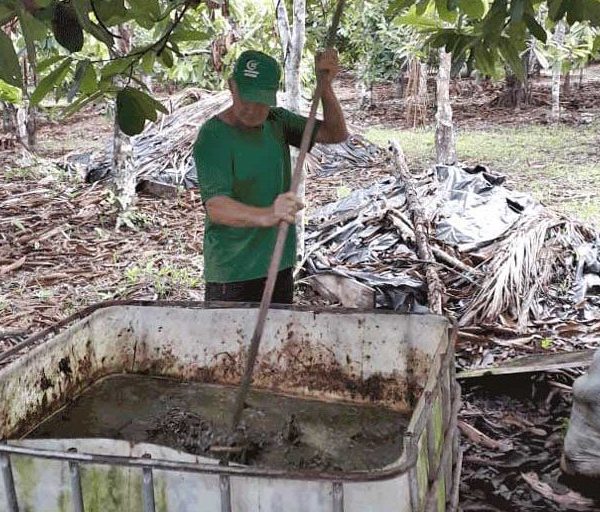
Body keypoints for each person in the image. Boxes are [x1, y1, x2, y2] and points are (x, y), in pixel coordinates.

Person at [193, 49, 348, 304]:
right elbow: (217, 207)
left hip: (278, 263)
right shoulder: (213, 136)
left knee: (278, 329)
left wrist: (325, 87)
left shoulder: (278, 122)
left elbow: (335, 133)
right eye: (246, 99)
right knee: (231, 331)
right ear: (232, 87)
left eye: (261, 101)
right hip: (232, 272)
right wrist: (268, 214)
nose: (252, 109)